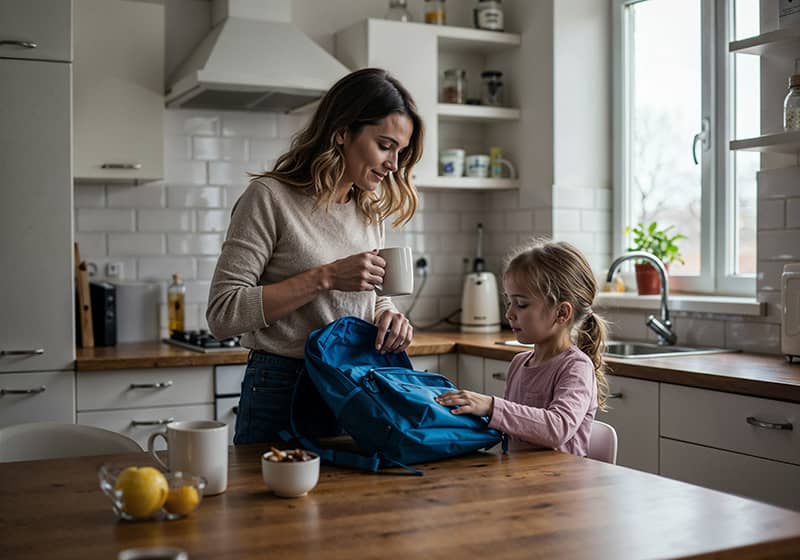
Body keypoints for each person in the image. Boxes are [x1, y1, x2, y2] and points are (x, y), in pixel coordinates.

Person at [206, 68, 424, 445]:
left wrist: (387, 315)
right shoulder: (269, 198)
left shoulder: (367, 208)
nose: (393, 164)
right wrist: (325, 277)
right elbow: (223, 314)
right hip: (284, 385)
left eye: (400, 152)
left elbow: (370, 294)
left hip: (353, 383)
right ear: (341, 132)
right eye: (385, 145)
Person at [435, 240, 609, 456]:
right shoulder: (519, 363)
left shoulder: (576, 367)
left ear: (562, 313)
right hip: (520, 473)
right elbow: (513, 425)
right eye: (509, 302)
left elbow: (557, 428)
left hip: (562, 476)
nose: (509, 314)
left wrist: (491, 406)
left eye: (521, 304)